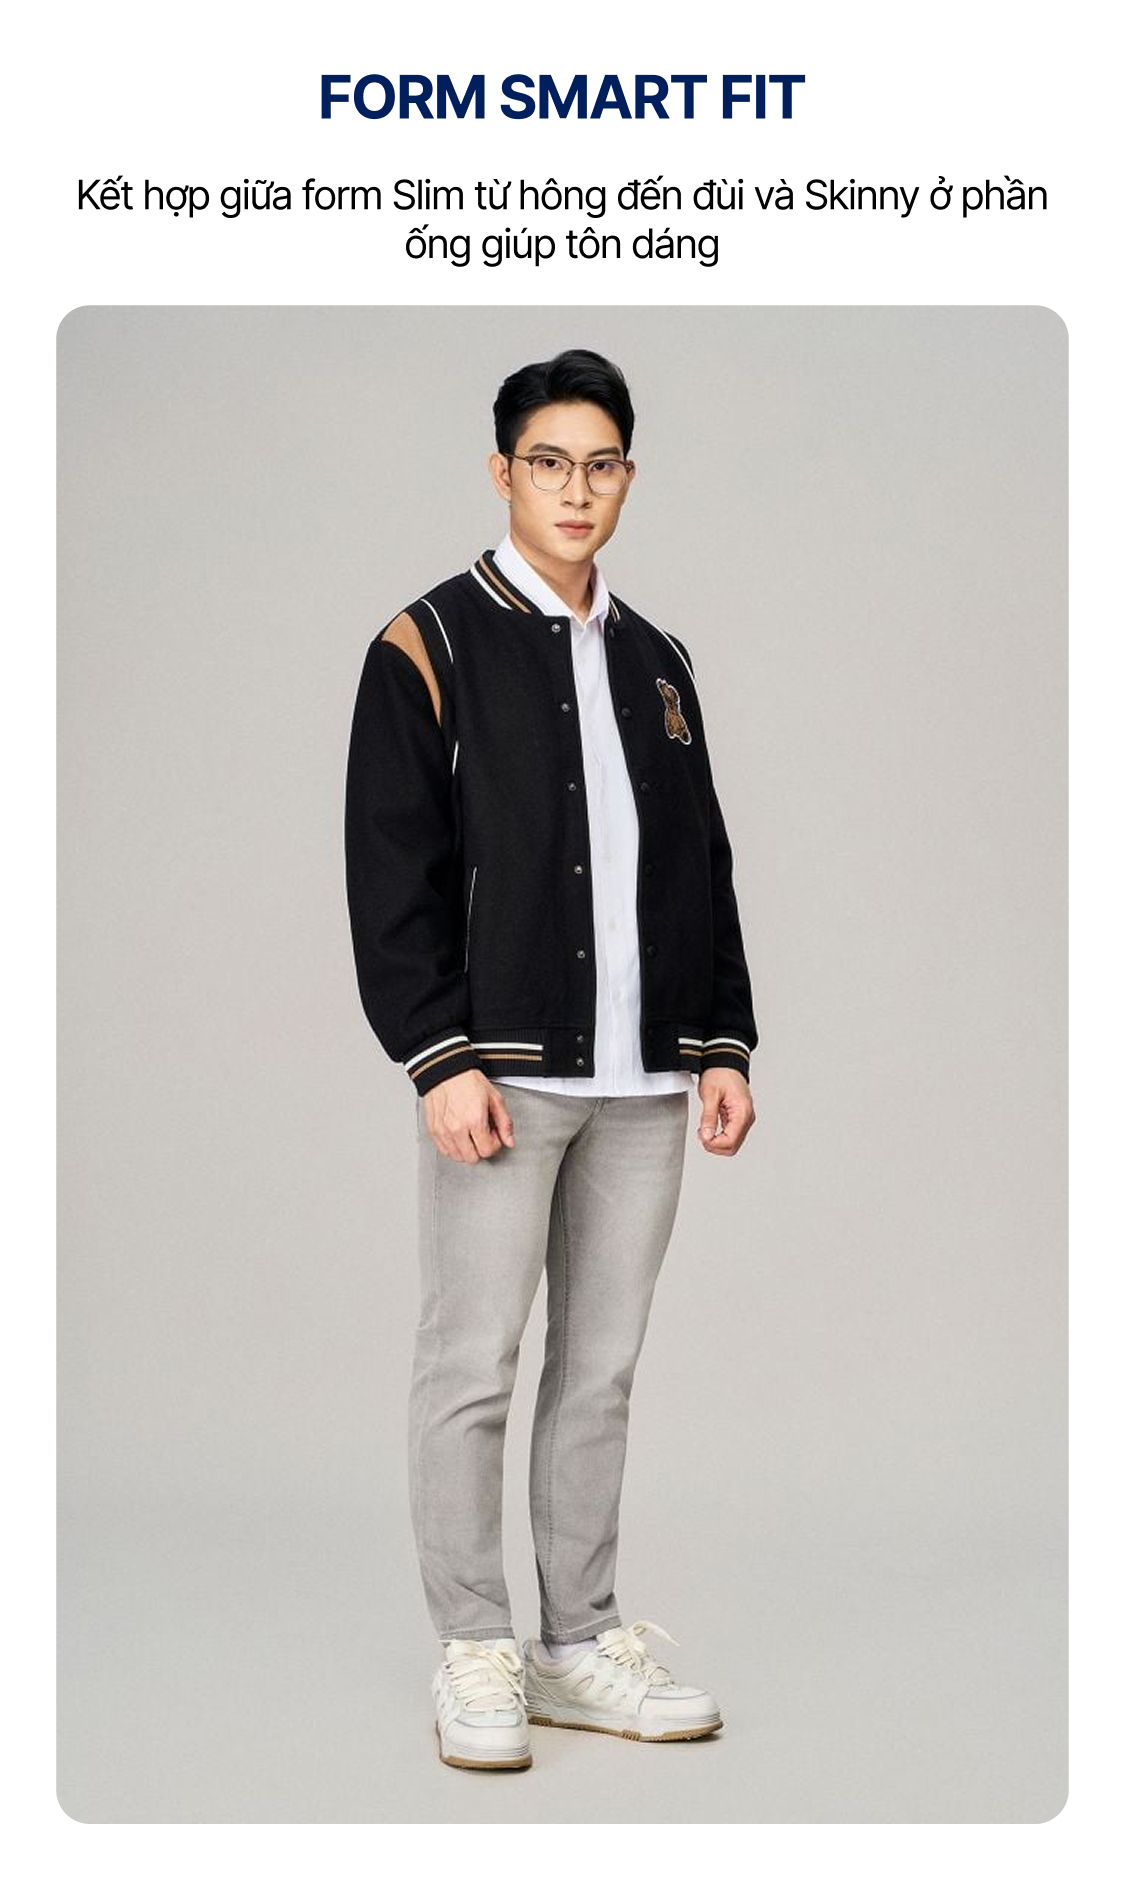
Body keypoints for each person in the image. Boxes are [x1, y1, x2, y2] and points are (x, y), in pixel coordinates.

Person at [344, 347, 758, 1770]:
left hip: (646, 1079)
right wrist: (436, 1055)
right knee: (471, 1364)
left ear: (626, 478)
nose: (575, 489)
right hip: (502, 1074)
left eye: (600, 464)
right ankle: (474, 1647)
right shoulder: (429, 644)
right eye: (547, 462)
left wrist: (722, 1040)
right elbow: (388, 871)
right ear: (502, 471)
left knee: (601, 1372)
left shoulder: (658, 661)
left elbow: (701, 864)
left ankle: (576, 1644)